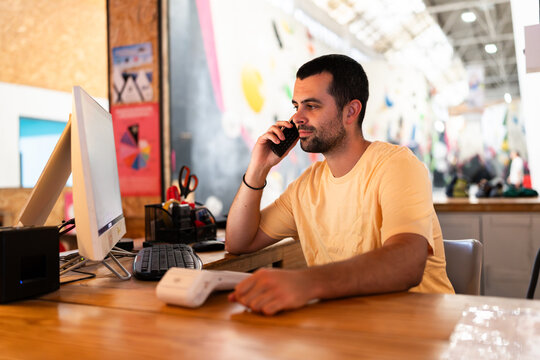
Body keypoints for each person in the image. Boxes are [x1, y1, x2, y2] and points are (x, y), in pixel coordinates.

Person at [225, 54, 454, 316]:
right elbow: (239, 242)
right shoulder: (305, 188)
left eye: (311, 106)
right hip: (350, 331)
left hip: (419, 334)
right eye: (296, 106)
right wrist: (258, 169)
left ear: (351, 111)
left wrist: (306, 282)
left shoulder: (396, 165)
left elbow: (407, 264)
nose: (297, 118)